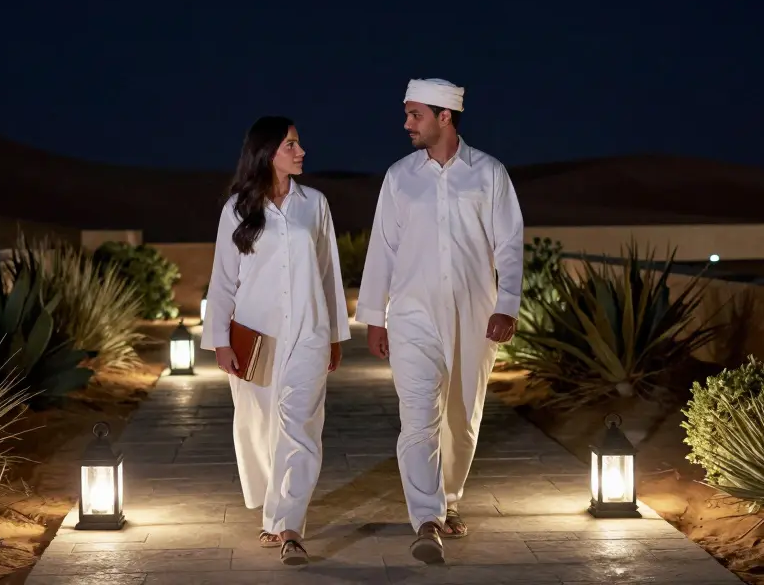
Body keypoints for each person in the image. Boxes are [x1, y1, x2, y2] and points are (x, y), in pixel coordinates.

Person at [356, 78, 524, 564]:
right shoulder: (399, 177)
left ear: (444, 116)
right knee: (417, 418)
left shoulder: (489, 174)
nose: (407, 123)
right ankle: (426, 518)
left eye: (415, 115)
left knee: (462, 417)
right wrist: (375, 317)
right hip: (411, 314)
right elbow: (381, 249)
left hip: (475, 313)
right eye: (407, 114)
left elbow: (509, 245)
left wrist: (506, 304)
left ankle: (447, 501)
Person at [201, 115, 351, 566]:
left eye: (299, 143)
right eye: (291, 144)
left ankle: (289, 524)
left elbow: (329, 274)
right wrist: (221, 340)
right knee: (259, 426)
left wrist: (335, 335)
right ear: (267, 152)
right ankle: (273, 510)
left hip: (309, 332)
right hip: (254, 338)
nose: (301, 151)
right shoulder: (237, 209)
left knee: (302, 428)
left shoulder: (315, 205)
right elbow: (224, 280)